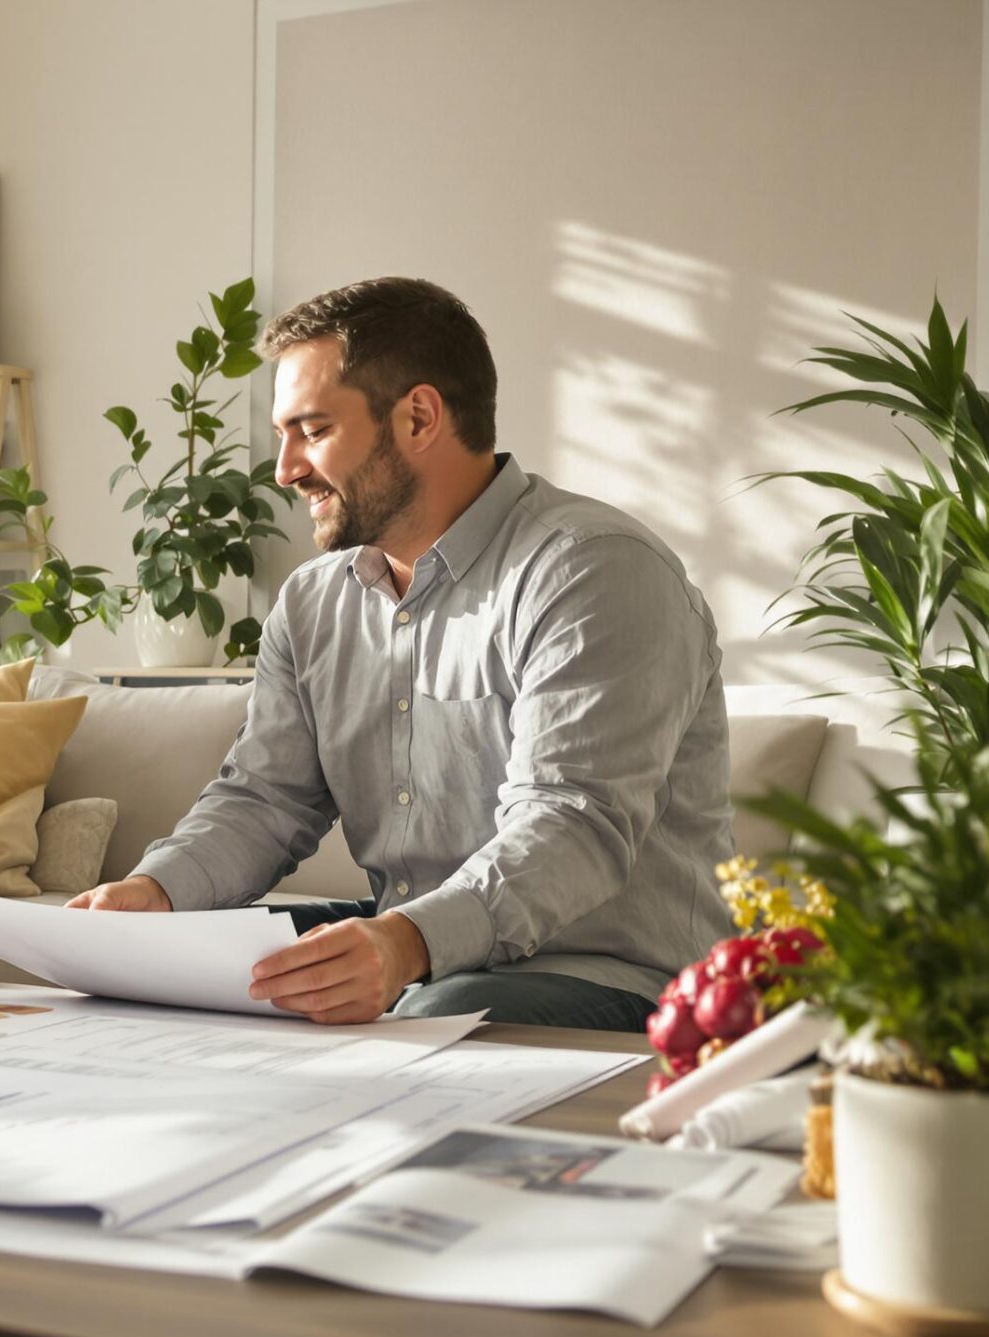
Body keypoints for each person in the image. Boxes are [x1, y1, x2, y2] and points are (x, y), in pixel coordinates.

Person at [73, 277, 731, 1031]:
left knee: (434, 1009)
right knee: (182, 958)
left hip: (610, 973)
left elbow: (571, 825)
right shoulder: (314, 602)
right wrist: (152, 894)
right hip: (419, 946)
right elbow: (265, 800)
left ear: (419, 416)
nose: (284, 469)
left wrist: (402, 944)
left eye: (311, 430)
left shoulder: (592, 571)